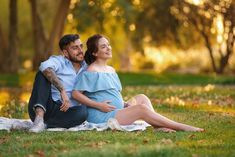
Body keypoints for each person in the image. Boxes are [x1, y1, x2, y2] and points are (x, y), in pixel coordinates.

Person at [72, 34, 204, 132]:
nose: (108, 48)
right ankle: (181, 127)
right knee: (141, 109)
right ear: (95, 52)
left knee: (142, 98)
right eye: (103, 46)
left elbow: (111, 93)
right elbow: (76, 94)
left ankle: (158, 127)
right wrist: (98, 105)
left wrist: (123, 103)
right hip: (102, 116)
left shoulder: (111, 70)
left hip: (117, 110)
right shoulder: (91, 71)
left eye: (108, 45)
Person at [28, 34, 88, 133]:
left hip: (66, 113)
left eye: (81, 46)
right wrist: (62, 90)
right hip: (47, 107)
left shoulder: (87, 66)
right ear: (65, 52)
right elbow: (45, 66)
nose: (80, 50)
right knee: (42, 74)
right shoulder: (59, 61)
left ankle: (47, 125)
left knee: (83, 112)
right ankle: (39, 120)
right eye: (75, 48)